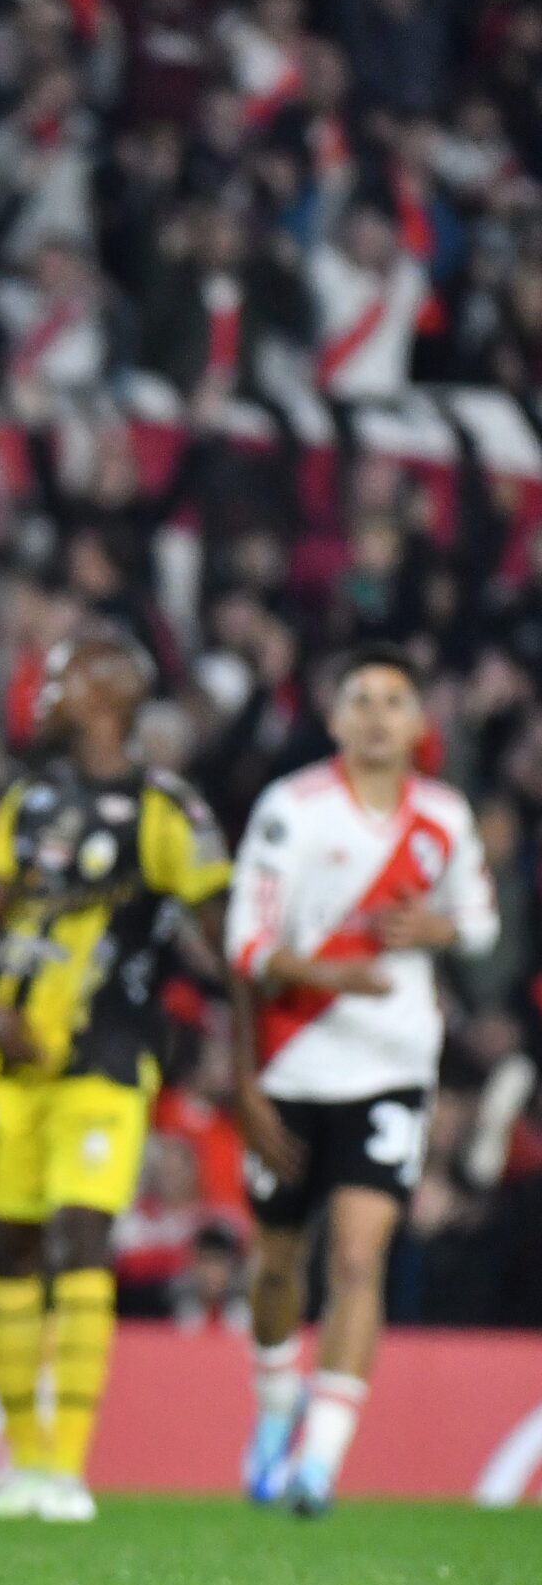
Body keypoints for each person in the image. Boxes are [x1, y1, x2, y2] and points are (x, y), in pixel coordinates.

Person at [0, 626, 245, 1523]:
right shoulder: (27, 803)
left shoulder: (167, 812)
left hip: (109, 1057)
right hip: (13, 1063)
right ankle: (25, 1459)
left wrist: (237, 1026)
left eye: (68, 675)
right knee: (7, 1246)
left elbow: (227, 935)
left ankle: (68, 1466)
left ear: (114, 692)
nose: (47, 688)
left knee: (83, 1234)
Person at [224, 645, 498, 1516]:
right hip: (294, 1061)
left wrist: (439, 929)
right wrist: (327, 978)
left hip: (391, 1066)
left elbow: (483, 924)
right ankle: (275, 1412)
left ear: (420, 723)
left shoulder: (445, 820)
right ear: (336, 718)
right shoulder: (292, 811)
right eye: (362, 699)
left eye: (395, 700)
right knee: (276, 1267)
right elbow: (245, 943)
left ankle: (321, 1463)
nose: (378, 714)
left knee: (357, 1255)